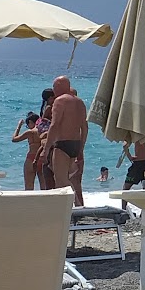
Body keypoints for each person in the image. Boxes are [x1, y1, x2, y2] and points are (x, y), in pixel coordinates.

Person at [43, 75, 89, 206]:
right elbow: (84, 127)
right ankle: (77, 206)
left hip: (62, 144)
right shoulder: (80, 102)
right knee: (68, 179)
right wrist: (81, 148)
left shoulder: (60, 101)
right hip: (75, 144)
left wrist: (46, 149)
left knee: (61, 182)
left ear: (59, 86)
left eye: (54, 87)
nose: (53, 90)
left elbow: (54, 125)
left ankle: (73, 207)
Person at [11, 112, 44, 190]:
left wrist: (19, 126)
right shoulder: (43, 131)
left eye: (27, 125)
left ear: (30, 122)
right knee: (44, 186)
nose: (28, 127)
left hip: (31, 158)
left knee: (29, 186)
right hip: (42, 158)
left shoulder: (30, 132)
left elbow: (14, 139)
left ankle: (30, 202)